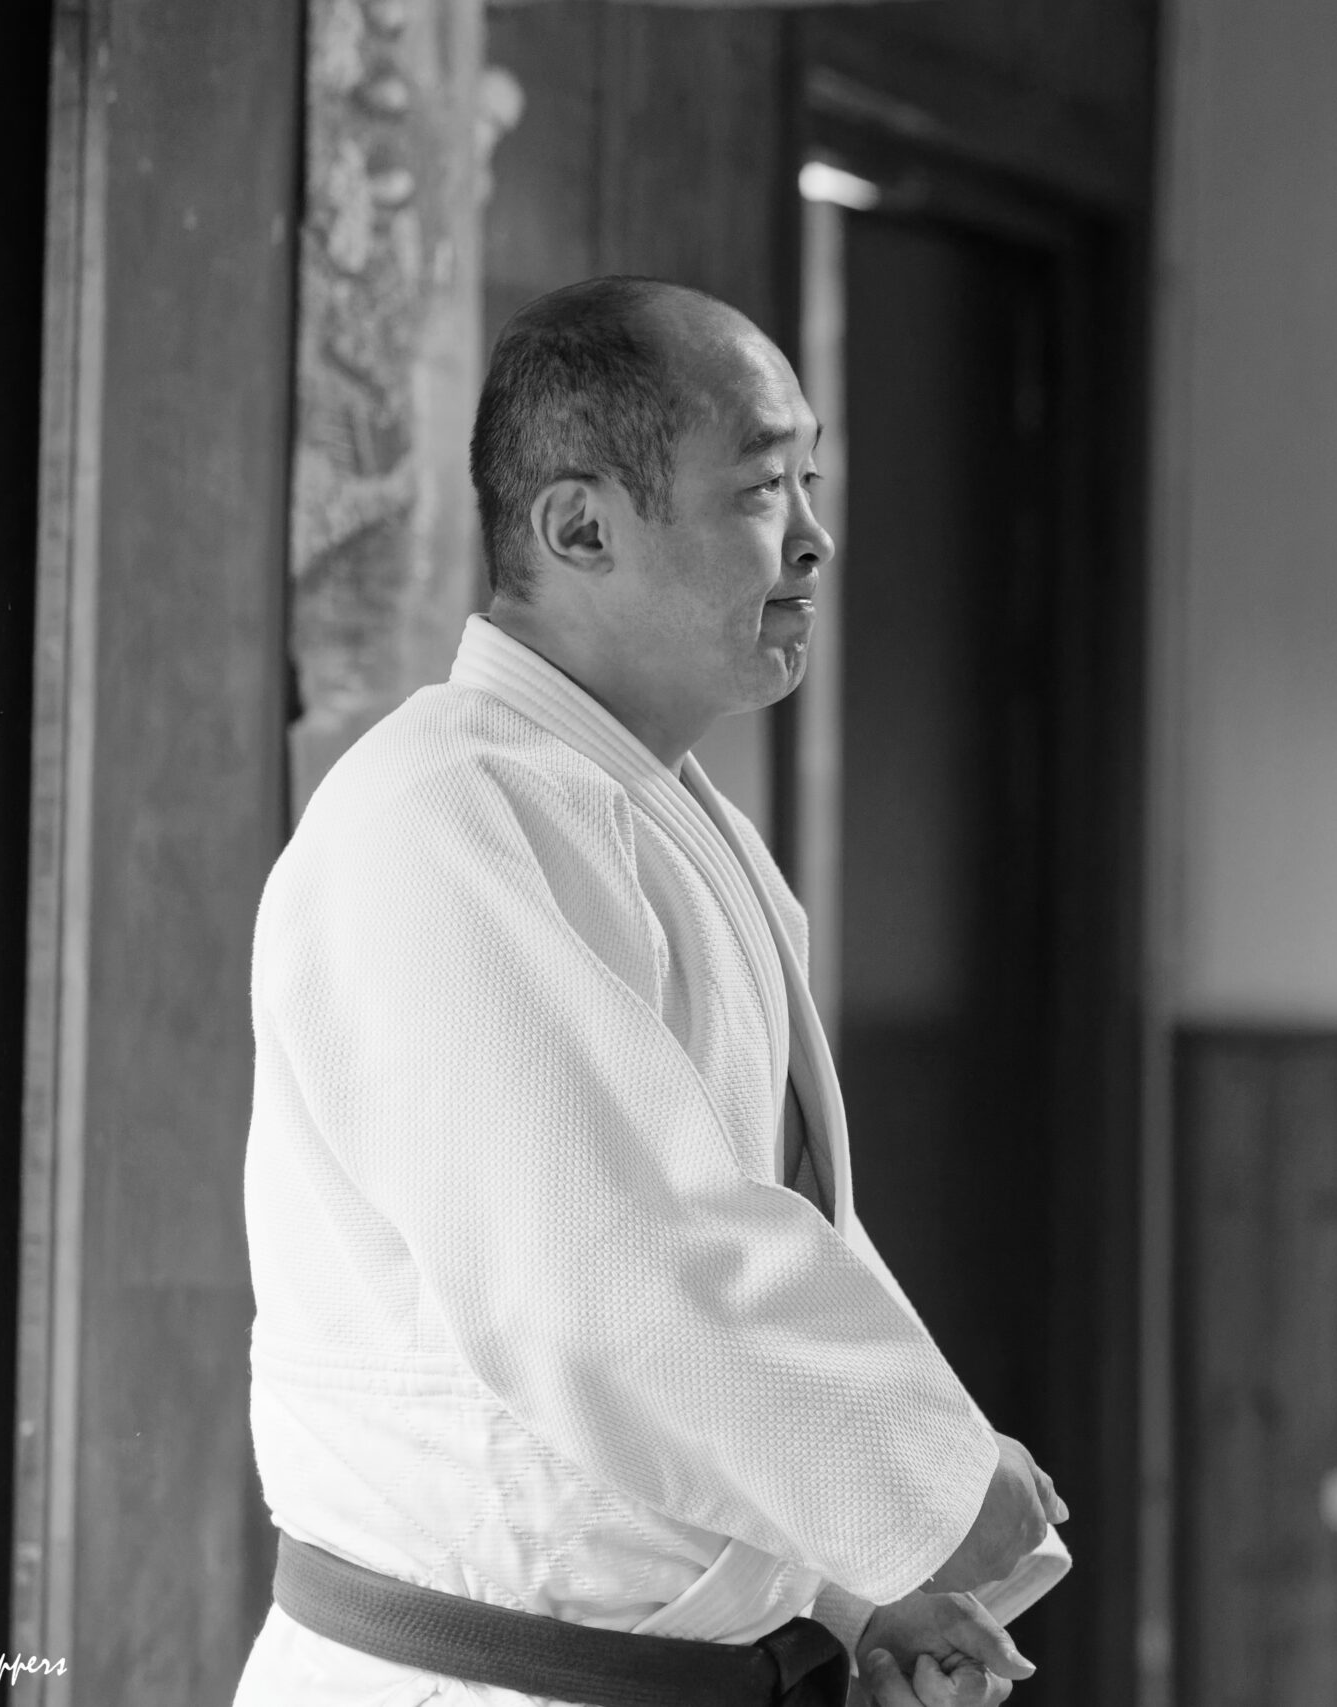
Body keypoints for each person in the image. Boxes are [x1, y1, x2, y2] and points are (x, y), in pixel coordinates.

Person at [232, 276, 1068, 1707]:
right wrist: (925, 1481)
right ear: (580, 528)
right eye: (760, 488)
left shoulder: (659, 814)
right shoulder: (439, 819)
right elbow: (609, 1284)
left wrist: (855, 1589)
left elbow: (753, 1241)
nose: (812, 536)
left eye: (809, 481)